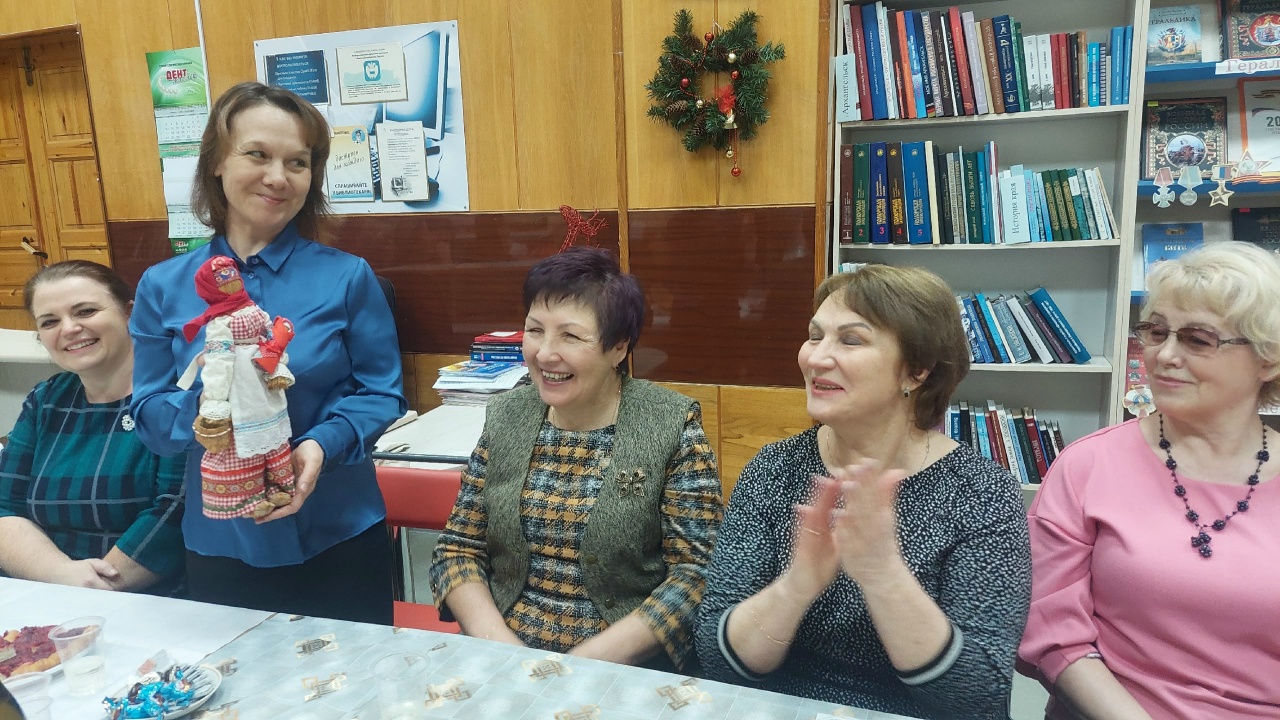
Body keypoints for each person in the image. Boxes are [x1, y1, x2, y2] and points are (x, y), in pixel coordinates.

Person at [696, 265, 1031, 718]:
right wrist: (796, 587)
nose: (816, 358)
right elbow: (716, 660)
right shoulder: (774, 469)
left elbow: (978, 697)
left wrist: (883, 575)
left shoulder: (982, 492)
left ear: (916, 371)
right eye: (815, 336)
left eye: (850, 340)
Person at [129, 82, 407, 624]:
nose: (278, 177)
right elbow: (149, 417)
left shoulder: (347, 276)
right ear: (216, 162)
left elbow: (382, 393)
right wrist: (212, 404)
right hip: (223, 542)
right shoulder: (163, 287)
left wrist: (321, 445)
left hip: (340, 532)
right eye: (257, 154)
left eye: (297, 162)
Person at [428, 247, 723, 672]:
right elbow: (459, 549)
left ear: (618, 347)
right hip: (502, 658)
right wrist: (505, 651)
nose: (545, 353)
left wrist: (573, 668)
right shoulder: (507, 415)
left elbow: (697, 573)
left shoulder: (671, 424)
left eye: (570, 336)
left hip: (621, 668)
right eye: (535, 330)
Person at [1019, 242, 1280, 720]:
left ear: (1269, 359)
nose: (1163, 355)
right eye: (1156, 332)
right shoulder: (1087, 464)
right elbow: (1051, 631)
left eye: (1198, 339)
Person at [0, 261, 185, 593]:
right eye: (50, 321)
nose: (69, 328)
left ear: (130, 313)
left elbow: (174, 512)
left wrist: (94, 590)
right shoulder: (45, 400)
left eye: (85, 311)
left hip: (151, 600)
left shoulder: (177, 396)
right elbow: (4, 506)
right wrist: (61, 575)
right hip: (47, 590)